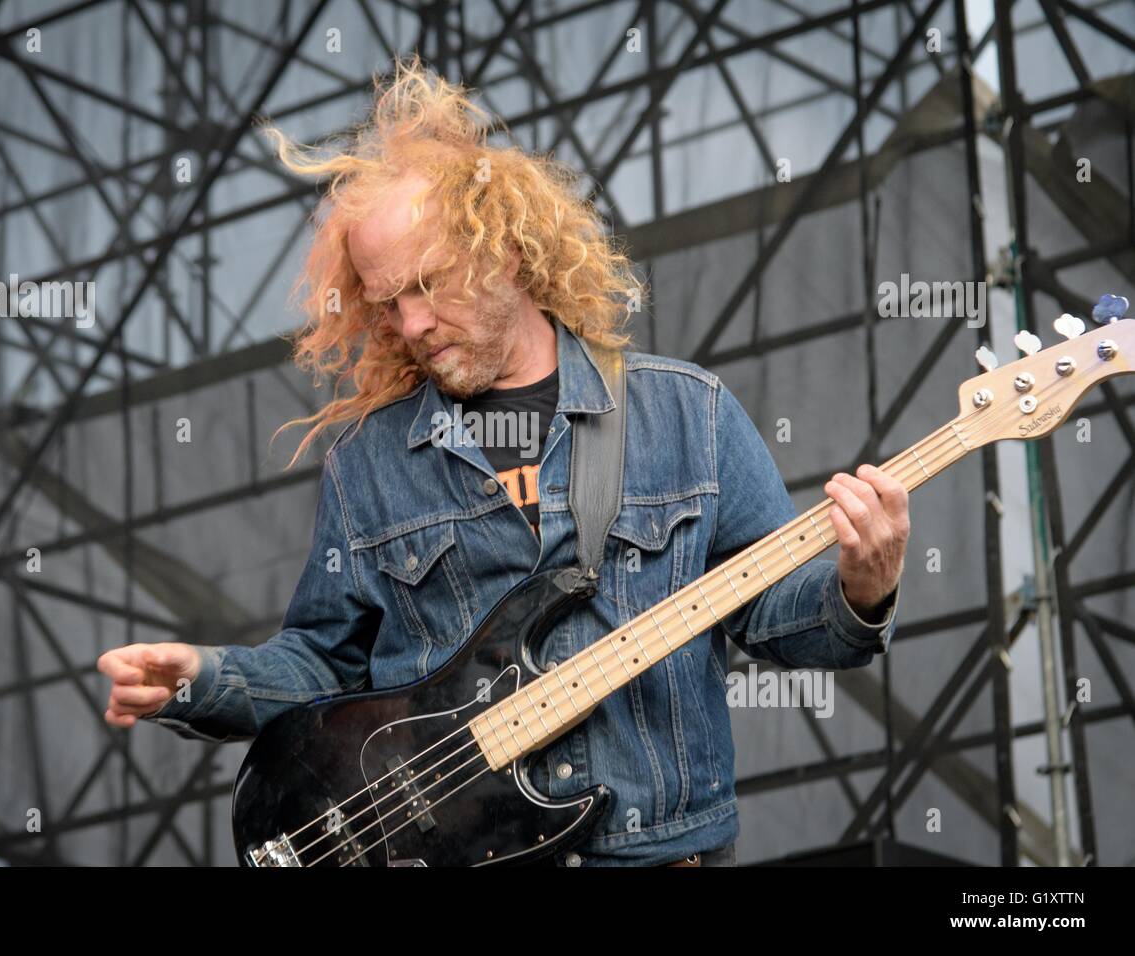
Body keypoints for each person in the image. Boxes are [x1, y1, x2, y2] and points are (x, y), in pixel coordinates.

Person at [97, 58, 908, 867]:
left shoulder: (684, 416)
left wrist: (861, 590)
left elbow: (780, 624)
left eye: (428, 284)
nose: (410, 324)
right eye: (388, 302)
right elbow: (323, 666)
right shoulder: (370, 465)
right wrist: (202, 679)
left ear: (506, 252)